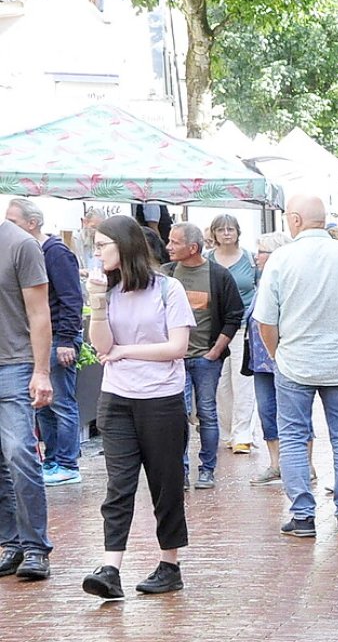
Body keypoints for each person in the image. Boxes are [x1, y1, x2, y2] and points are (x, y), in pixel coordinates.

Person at [80, 214, 195, 598]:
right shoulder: (109, 291)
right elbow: (101, 346)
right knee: (119, 485)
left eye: (101, 246)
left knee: (165, 484)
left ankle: (169, 564)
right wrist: (96, 301)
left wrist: (127, 351)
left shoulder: (169, 288)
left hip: (161, 399)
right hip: (116, 398)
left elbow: (177, 348)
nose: (96, 253)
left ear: (124, 246)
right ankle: (110, 568)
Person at [253, 193, 338, 538]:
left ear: (294, 220)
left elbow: (265, 319)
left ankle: (304, 515)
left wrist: (278, 353)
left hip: (295, 362)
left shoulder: (281, 259)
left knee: (293, 436)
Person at [7, 198, 84, 487]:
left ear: (32, 223)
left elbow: (71, 297)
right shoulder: (28, 251)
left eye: (13, 222)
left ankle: (67, 462)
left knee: (62, 402)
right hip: (39, 340)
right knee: (44, 405)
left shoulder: (54, 252)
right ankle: (52, 460)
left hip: (57, 338)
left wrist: (66, 338)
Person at [163, 221, 244, 491]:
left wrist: (215, 351)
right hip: (175, 359)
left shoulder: (218, 276)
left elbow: (234, 314)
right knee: (178, 414)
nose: (169, 247)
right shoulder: (166, 275)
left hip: (205, 359)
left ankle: (207, 469)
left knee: (207, 413)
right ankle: (180, 470)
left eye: (175, 242)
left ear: (193, 247)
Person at [0, 215, 53, 582]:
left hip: (14, 363)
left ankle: (35, 547)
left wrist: (42, 370)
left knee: (19, 452)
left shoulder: (21, 244)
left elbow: (39, 313)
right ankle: (11, 543)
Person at [207, 214, 259, 455]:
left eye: (231, 229)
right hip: (214, 329)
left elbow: (258, 290)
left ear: (238, 231)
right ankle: (227, 432)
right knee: (221, 384)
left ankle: (243, 434)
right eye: (221, 229)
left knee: (243, 381)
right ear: (214, 234)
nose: (227, 233)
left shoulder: (249, 259)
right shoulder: (207, 260)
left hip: (243, 327)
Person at [245, 231, 293, 486]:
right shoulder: (261, 282)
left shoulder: (287, 281)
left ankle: (305, 465)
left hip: (283, 358)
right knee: (267, 411)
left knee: (295, 411)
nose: (257, 256)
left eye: (262, 251)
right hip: (261, 361)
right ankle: (275, 463)